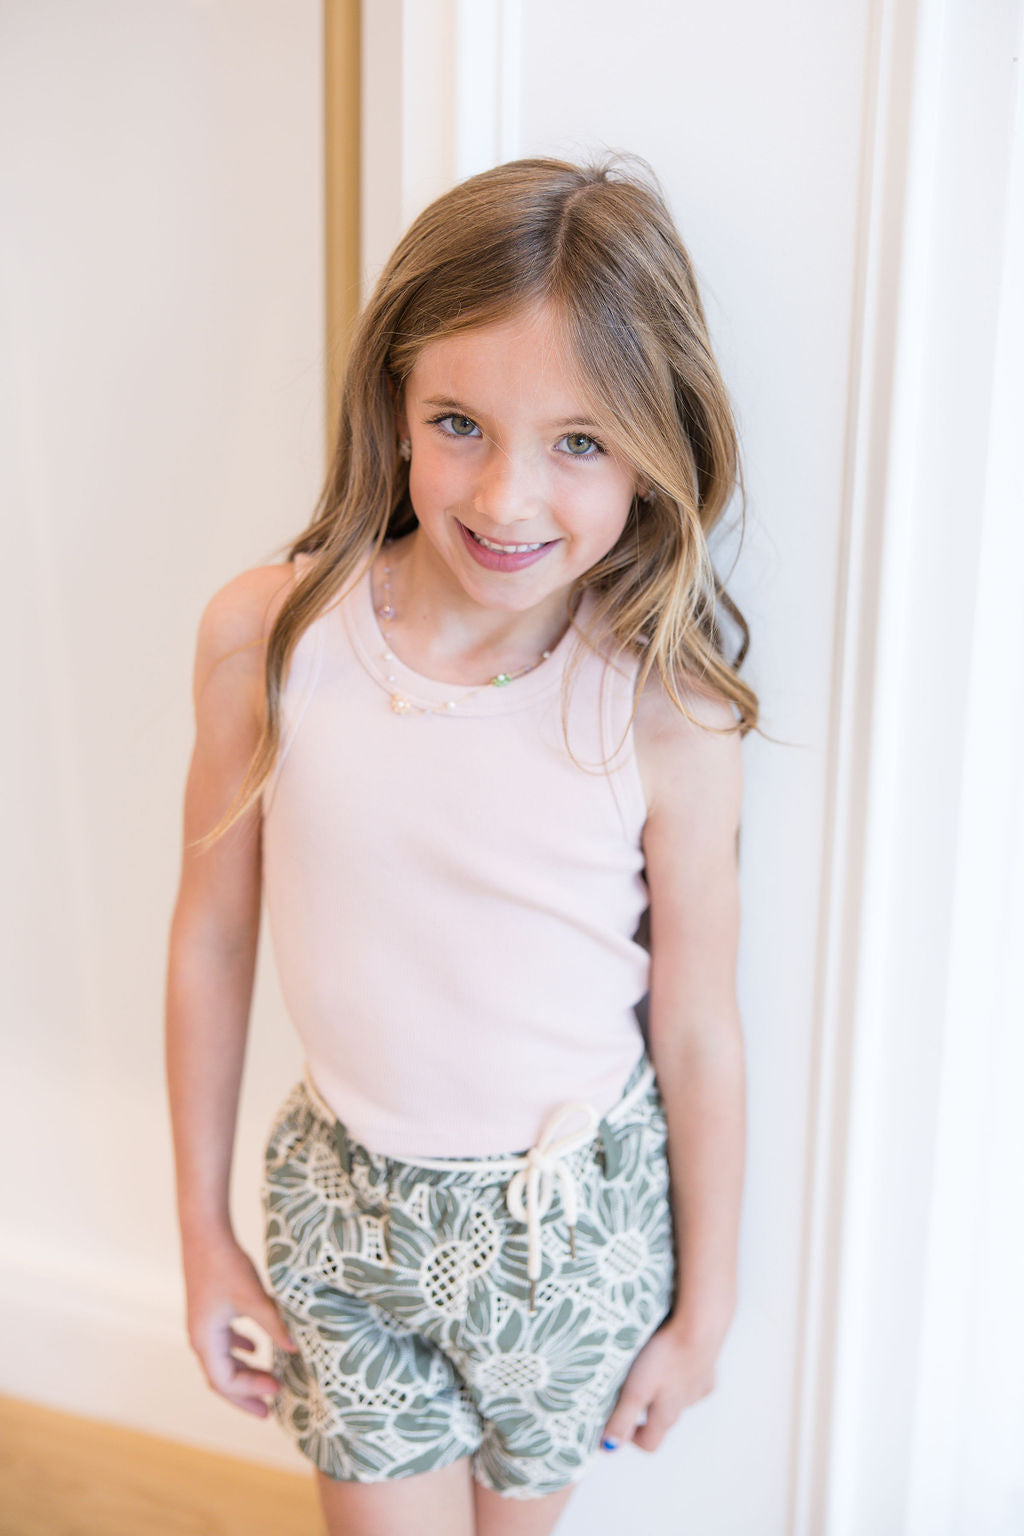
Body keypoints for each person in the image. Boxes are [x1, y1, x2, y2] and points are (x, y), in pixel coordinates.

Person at [165, 153, 757, 1536]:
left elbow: (698, 1029)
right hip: (348, 1222)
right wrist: (201, 1236)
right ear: (395, 405)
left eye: (579, 442)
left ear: (657, 449)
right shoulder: (271, 641)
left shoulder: (665, 714)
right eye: (459, 424)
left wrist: (707, 1313)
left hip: (575, 1238)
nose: (505, 499)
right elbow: (211, 939)